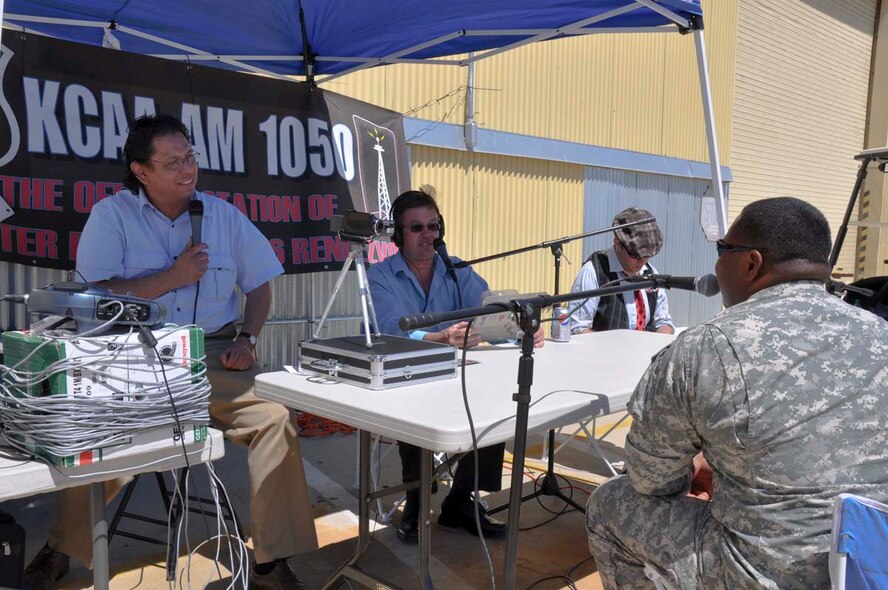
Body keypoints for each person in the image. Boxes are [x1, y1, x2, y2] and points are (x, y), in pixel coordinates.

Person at [23, 114, 318, 590]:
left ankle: (269, 560)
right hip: (134, 359)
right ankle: (62, 548)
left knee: (276, 421)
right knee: (94, 435)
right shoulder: (111, 215)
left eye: (191, 158)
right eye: (173, 162)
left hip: (214, 356)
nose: (188, 170)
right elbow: (94, 295)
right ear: (142, 171)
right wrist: (171, 278)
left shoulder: (222, 215)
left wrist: (248, 339)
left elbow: (260, 284)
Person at [585, 197, 888, 589]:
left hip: (762, 575)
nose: (715, 264)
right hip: (869, 567)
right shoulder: (880, 333)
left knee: (610, 503)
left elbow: (649, 480)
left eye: (722, 249)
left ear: (751, 263)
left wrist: (697, 466)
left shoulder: (705, 348)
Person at [367, 187, 544, 543]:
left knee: (499, 405)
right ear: (399, 235)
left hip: (457, 375)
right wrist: (439, 338)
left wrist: (519, 331)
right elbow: (387, 331)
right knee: (414, 413)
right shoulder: (379, 276)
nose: (428, 235)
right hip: (407, 375)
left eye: (433, 226)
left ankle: (461, 500)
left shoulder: (456, 269)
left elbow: (491, 312)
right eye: (417, 227)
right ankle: (416, 503)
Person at [568, 207, 674, 334]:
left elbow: (663, 322)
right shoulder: (593, 272)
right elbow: (577, 328)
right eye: (635, 255)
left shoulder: (651, 273)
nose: (642, 261)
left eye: (648, 255)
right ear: (617, 242)